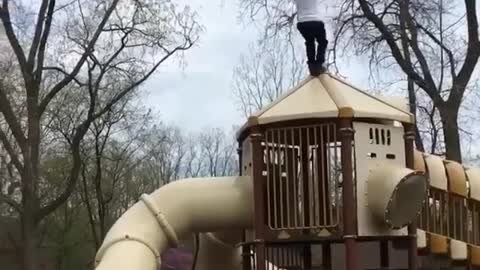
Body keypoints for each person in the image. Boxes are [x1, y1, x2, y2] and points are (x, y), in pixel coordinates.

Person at [294, 0, 328, 76]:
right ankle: (319, 64)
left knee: (309, 42)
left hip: (302, 23)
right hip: (316, 21)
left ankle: (312, 66)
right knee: (322, 42)